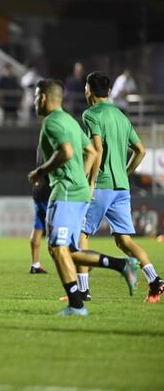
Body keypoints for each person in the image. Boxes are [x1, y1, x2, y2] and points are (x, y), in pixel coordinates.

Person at [28, 79, 139, 316]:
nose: (34, 101)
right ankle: (121, 264)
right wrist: (86, 181)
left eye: (36, 96)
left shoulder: (52, 122)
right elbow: (91, 151)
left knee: (57, 248)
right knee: (68, 248)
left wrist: (40, 171)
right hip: (79, 191)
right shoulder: (69, 119)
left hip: (65, 190)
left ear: (45, 98)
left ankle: (76, 304)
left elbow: (66, 152)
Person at [79, 71, 164, 303]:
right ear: (108, 91)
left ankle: (82, 290)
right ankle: (155, 280)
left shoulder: (91, 114)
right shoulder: (121, 116)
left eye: (85, 88)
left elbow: (96, 149)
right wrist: (125, 173)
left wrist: (92, 182)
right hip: (121, 187)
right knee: (123, 240)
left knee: (81, 234)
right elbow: (141, 150)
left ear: (89, 90)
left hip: (102, 184)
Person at [29, 143, 50, 274]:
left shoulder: (41, 144)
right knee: (59, 226)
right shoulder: (55, 142)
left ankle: (35, 264)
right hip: (50, 188)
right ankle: (73, 261)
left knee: (38, 226)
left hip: (38, 187)